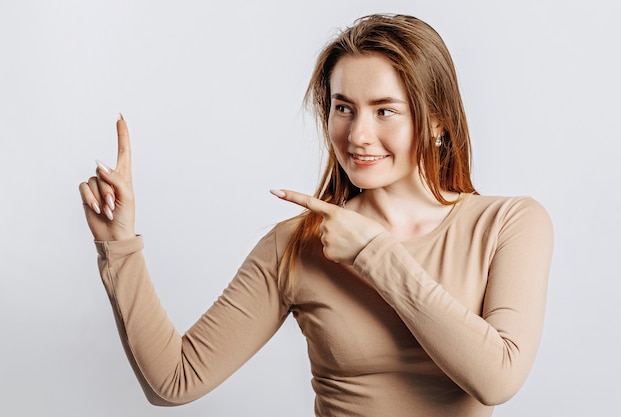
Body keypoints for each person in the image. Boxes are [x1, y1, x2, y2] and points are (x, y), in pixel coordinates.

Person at [79, 14, 553, 417]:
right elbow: (174, 381)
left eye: (385, 110)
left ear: (437, 124)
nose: (358, 135)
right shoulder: (298, 244)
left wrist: (374, 254)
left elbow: (498, 378)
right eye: (343, 107)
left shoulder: (509, 224)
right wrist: (118, 246)